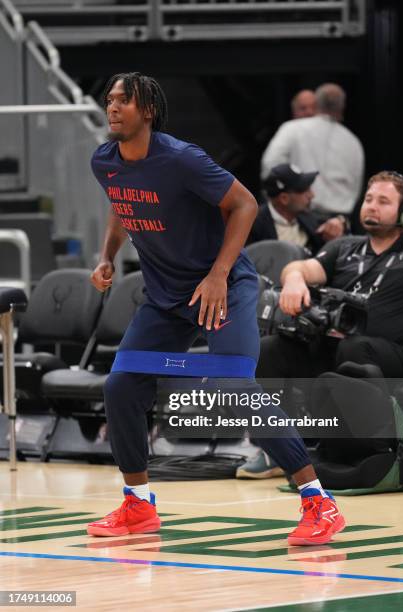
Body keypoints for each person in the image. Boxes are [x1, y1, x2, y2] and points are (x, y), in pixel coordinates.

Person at [86, 71, 345, 546]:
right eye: (109, 100)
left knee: (233, 386)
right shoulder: (105, 161)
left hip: (222, 287)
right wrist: (106, 255)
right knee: (121, 385)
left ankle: (318, 501)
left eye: (124, 100)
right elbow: (120, 204)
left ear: (148, 110)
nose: (113, 107)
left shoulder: (182, 159)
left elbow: (244, 204)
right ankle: (138, 504)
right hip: (165, 297)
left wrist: (219, 274)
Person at [241, 170, 403, 478]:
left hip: (389, 351)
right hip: (334, 343)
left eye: (384, 201)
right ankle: (281, 450)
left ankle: (362, 450)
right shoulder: (345, 247)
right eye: (369, 199)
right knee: (268, 350)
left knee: (355, 347)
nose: (372, 206)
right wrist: (293, 282)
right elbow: (300, 267)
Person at [261, 83, 364, 217]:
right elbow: (357, 186)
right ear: (343, 106)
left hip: (300, 215)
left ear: (317, 104)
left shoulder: (292, 129)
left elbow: (270, 166)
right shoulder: (353, 142)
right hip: (341, 219)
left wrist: (278, 200)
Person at [248, 163, 346, 254]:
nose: (312, 195)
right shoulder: (253, 224)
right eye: (304, 190)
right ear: (284, 198)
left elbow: (339, 225)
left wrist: (339, 223)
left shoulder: (309, 218)